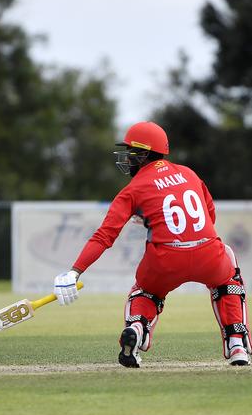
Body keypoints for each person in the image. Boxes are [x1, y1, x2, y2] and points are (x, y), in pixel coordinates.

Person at [53, 121, 249, 368]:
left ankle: (139, 328)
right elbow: (210, 216)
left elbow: (104, 236)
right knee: (228, 277)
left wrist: (75, 271)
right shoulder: (189, 173)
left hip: (166, 261)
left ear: (145, 154)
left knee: (145, 291)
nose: (126, 158)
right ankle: (236, 343)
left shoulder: (132, 189)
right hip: (208, 253)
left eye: (131, 152)